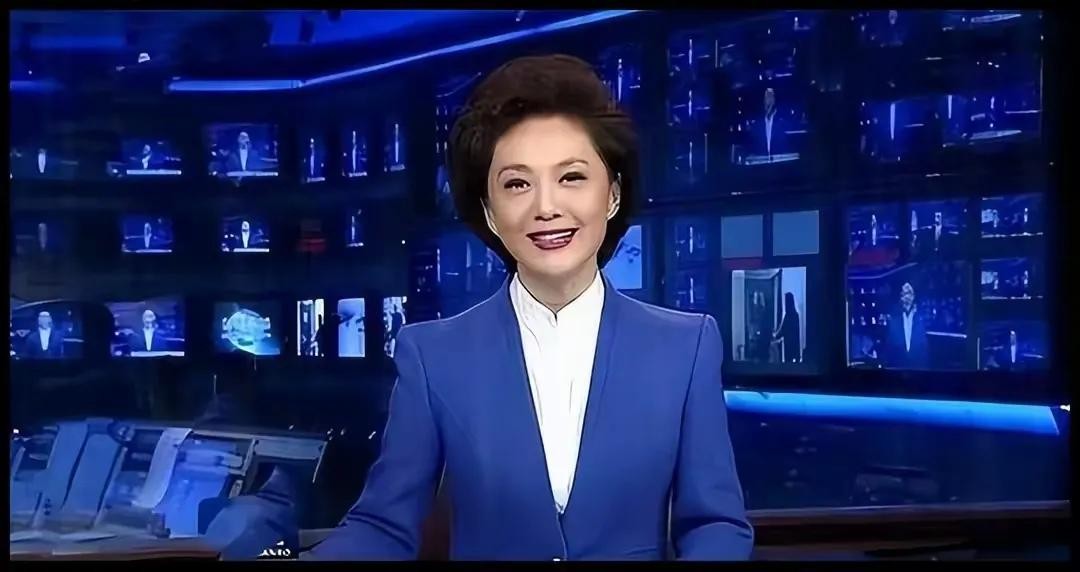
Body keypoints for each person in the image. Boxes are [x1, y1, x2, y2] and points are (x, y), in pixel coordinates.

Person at [303, 54, 752, 561]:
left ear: (612, 194)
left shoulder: (685, 346)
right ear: (490, 212)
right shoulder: (432, 355)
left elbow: (714, 523)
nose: (546, 207)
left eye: (572, 177)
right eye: (517, 184)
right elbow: (384, 526)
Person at [885, 282, 929, 368]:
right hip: (898, 368)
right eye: (904, 294)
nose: (907, 297)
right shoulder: (893, 320)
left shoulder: (922, 318)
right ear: (900, 296)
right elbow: (890, 347)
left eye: (909, 293)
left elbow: (924, 347)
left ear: (913, 296)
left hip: (918, 368)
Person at [772, 292, 801, 363]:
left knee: (788, 363)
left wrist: (775, 336)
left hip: (789, 344)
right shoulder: (795, 315)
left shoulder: (788, 316)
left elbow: (784, 329)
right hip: (794, 343)